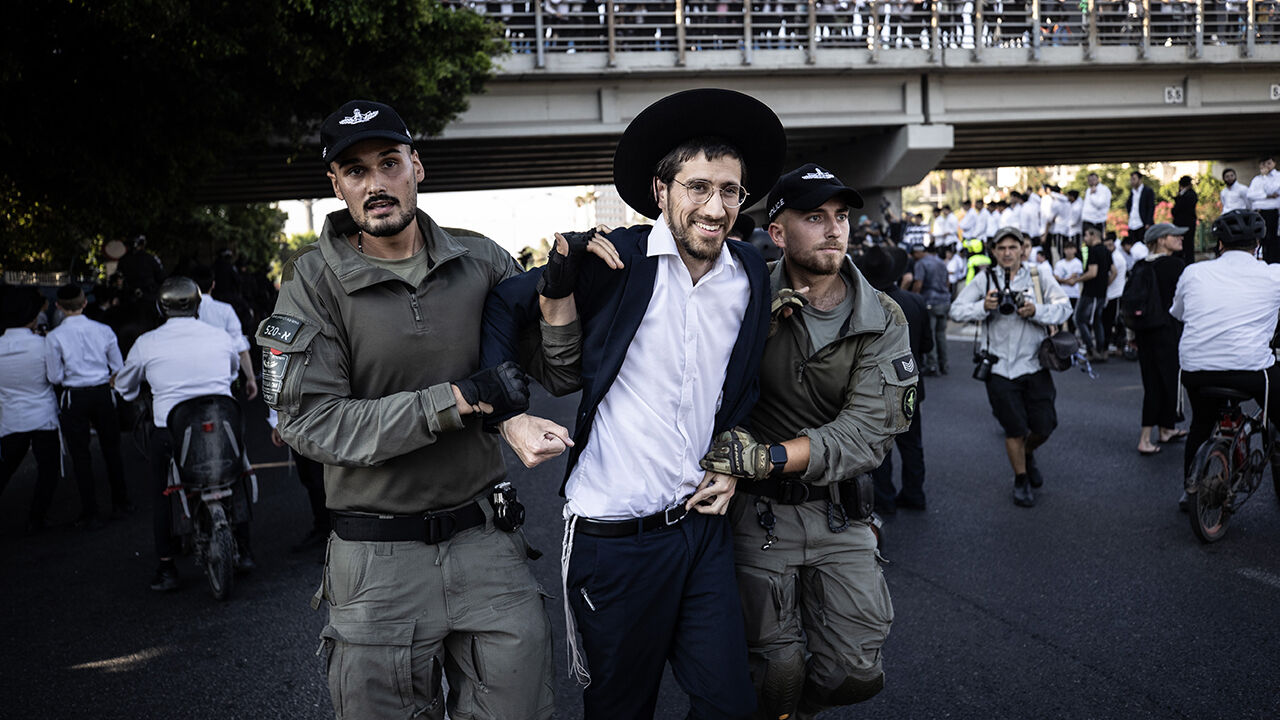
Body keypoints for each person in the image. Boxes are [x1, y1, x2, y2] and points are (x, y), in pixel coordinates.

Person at [482, 88, 784, 719]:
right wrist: (509, 412)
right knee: (622, 709)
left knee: (732, 706)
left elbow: (741, 388)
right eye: (697, 187)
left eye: (729, 190)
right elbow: (502, 306)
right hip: (614, 540)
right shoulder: (615, 258)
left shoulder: (749, 273)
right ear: (661, 191)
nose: (715, 206)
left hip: (701, 529)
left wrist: (729, 461)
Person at [256, 100, 560, 719]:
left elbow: (552, 371)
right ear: (336, 185)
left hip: (486, 543)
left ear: (416, 167)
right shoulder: (312, 283)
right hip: (375, 562)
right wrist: (456, 400)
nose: (376, 184)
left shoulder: (482, 259)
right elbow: (309, 421)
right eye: (356, 171)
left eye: (389, 163)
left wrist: (565, 293)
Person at [703, 164, 912, 718]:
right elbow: (693, 388)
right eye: (814, 217)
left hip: (838, 512)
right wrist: (753, 336)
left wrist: (769, 457)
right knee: (775, 669)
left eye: (841, 217)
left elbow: (867, 432)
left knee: (854, 672)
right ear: (777, 234)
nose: (834, 230)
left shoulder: (881, 316)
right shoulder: (738, 297)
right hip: (756, 517)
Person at [113, 277, 243, 591]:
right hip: (223, 424)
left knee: (161, 493)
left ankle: (167, 567)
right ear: (198, 305)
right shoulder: (220, 337)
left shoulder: (146, 343)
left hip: (170, 433)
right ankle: (247, 550)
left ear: (161, 307)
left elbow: (125, 388)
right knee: (239, 474)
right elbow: (233, 372)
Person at [950, 228, 1072, 507]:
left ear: (1022, 249)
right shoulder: (985, 278)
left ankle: (1027, 455)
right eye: (1001, 248)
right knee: (1014, 429)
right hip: (999, 368)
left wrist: (1036, 311)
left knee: (1045, 426)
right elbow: (956, 310)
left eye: (1012, 247)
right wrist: (983, 306)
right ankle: (1021, 479)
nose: (1007, 253)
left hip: (1034, 364)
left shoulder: (1039, 275)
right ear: (994, 252)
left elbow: (1065, 308)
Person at [1171, 210, 1280, 509]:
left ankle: (1189, 490)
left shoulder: (1193, 272)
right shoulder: (1274, 274)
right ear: (1257, 244)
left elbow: (1178, 314)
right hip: (1250, 370)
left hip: (1196, 369)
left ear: (1219, 244)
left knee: (1202, 423)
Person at [44, 284, 130, 526]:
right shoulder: (104, 330)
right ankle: (121, 502)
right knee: (112, 449)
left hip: (75, 396)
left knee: (81, 455)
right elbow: (119, 368)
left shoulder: (54, 337)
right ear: (84, 303)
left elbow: (54, 377)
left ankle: (90, 511)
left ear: (58, 306)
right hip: (102, 392)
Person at [0, 288, 62, 535]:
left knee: (5, 468)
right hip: (42, 415)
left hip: (10, 417)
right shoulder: (43, 344)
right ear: (32, 317)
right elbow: (55, 377)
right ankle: (37, 518)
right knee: (48, 470)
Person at [1132, 224, 1188, 455]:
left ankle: (1166, 428)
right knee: (1165, 380)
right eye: (1175, 235)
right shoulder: (1175, 265)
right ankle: (1145, 438)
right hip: (1167, 329)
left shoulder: (1139, 265)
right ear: (1162, 240)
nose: (1181, 239)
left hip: (1145, 329)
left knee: (1152, 379)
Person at [191, 265, 258, 401]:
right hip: (224, 382)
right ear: (213, 284)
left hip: (192, 382)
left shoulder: (185, 314)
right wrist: (251, 378)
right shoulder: (225, 310)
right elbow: (241, 349)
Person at [267, 407, 329, 553]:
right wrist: (278, 422)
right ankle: (323, 528)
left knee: (321, 478)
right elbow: (275, 385)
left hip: (320, 413)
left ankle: (333, 533)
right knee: (309, 477)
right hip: (295, 418)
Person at [1075, 227, 1115, 362]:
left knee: (1080, 319)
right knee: (1097, 321)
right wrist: (1105, 284)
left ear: (1093, 235)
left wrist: (1077, 279)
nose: (1085, 239)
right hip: (1101, 293)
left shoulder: (1094, 251)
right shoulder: (1106, 251)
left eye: (1086, 236)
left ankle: (1091, 349)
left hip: (1091, 293)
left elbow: (1092, 272)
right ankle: (1100, 350)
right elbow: (1114, 272)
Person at [911, 243, 951, 375]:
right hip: (944, 300)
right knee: (941, 334)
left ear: (917, 253)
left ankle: (932, 365)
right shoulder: (940, 262)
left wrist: (914, 297)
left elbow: (918, 283)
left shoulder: (921, 264)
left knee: (931, 333)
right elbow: (947, 282)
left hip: (930, 301)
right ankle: (944, 364)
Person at [1246, 154, 1280, 263]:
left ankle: (1272, 261)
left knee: (1272, 239)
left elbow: (1273, 190)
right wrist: (1265, 196)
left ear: (1274, 164)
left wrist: (1264, 193)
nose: (1267, 166)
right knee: (1261, 238)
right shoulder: (1257, 179)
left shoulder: (1278, 176)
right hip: (1260, 211)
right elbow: (1250, 195)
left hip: (1273, 211)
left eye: (1269, 163)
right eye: (1265, 164)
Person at [1171, 175, 1199, 266]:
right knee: (1188, 247)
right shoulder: (1192, 194)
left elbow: (1177, 209)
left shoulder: (1186, 195)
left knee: (1184, 246)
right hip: (1188, 224)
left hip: (1183, 224)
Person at [1125, 171, 1156, 244]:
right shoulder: (1132, 192)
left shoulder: (1147, 191)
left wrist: (1148, 222)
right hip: (1132, 223)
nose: (1132, 181)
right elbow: (1128, 204)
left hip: (1142, 223)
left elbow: (1151, 207)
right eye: (1131, 179)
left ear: (1140, 179)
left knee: (1143, 244)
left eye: (1134, 179)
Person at [1053, 240, 1082, 311]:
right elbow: (1056, 277)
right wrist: (1066, 281)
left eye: (1071, 248)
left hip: (1073, 294)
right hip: (1062, 294)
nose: (1069, 251)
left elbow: (1073, 278)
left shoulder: (1077, 262)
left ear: (1075, 250)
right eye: (1067, 249)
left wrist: (1061, 280)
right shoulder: (1059, 263)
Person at [1082, 172, 1112, 239]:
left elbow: (1100, 204)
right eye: (1089, 180)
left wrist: (1092, 195)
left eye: (1093, 180)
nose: (1091, 182)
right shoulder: (1088, 190)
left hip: (1097, 221)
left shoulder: (1104, 189)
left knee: (1098, 241)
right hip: (1087, 220)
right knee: (1087, 241)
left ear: (1098, 179)